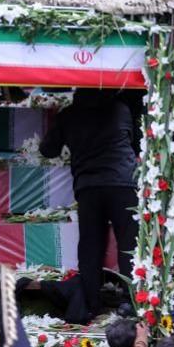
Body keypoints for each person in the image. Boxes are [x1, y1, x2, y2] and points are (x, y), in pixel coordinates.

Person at [40, 89, 139, 321]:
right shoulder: (121, 109)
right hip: (122, 183)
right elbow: (132, 140)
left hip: (89, 186)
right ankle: (131, 301)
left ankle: (90, 303)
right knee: (128, 243)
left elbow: (48, 149)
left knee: (91, 246)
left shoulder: (69, 114)